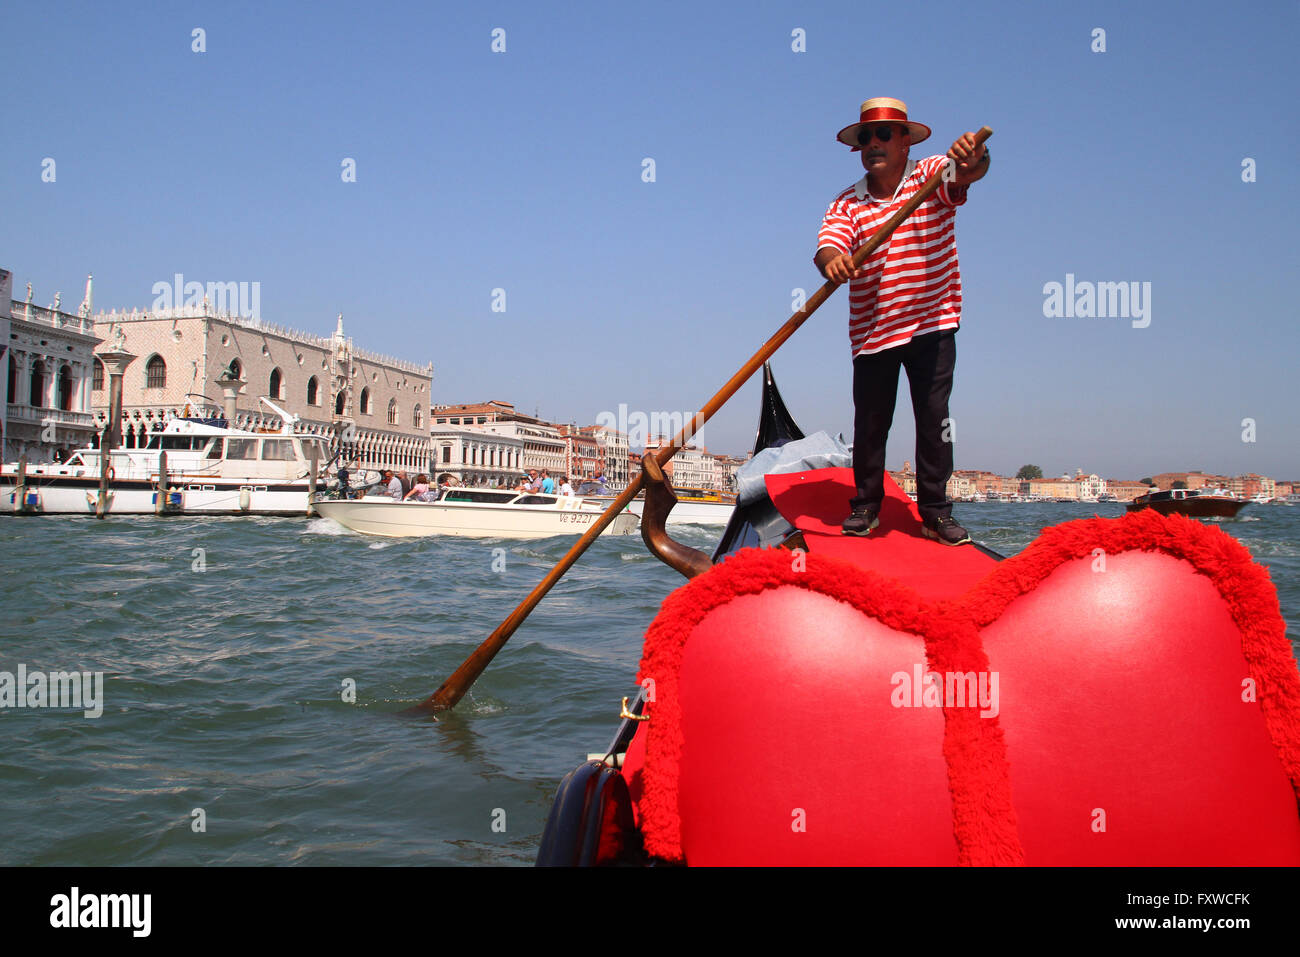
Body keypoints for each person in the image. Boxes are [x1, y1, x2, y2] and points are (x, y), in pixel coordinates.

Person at [815, 97, 989, 546]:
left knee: (934, 420)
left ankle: (934, 513)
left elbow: (968, 172)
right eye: (866, 137)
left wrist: (975, 158)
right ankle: (867, 507)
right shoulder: (847, 203)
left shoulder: (931, 175)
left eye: (884, 134)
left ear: (905, 141)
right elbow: (829, 246)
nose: (874, 143)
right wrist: (833, 262)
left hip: (933, 320)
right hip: (874, 332)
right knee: (870, 424)